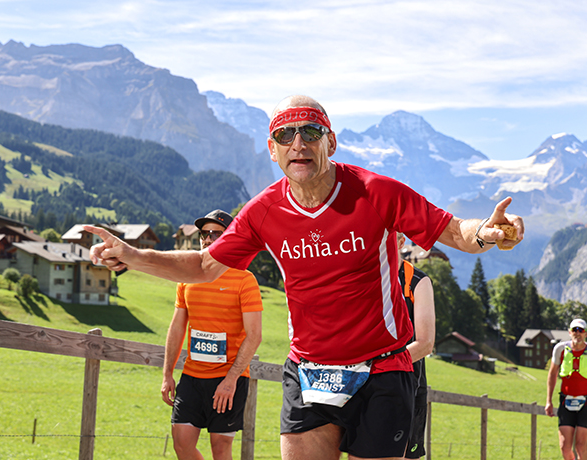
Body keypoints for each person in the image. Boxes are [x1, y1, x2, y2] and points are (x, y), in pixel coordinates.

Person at [85, 95, 524, 460]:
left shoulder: (376, 192)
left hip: (382, 368)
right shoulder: (263, 211)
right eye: (285, 135)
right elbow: (203, 267)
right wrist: (132, 254)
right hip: (310, 370)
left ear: (329, 142)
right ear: (273, 150)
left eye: (310, 132)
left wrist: (485, 233)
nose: (298, 143)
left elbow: (452, 231)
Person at [160, 209, 263, 460]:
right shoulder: (187, 278)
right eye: (204, 234)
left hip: (228, 379)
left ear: (229, 238)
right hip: (192, 377)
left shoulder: (244, 280)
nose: (208, 239)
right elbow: (176, 327)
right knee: (181, 445)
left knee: (220, 450)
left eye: (216, 233)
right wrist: (167, 374)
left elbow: (255, 335)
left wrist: (231, 380)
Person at [397, 233, 436, 460]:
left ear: (402, 243)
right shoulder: (358, 275)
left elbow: (425, 344)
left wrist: (379, 364)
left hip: (408, 383)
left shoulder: (416, 281)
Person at [546, 318, 587, 460]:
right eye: (574, 330)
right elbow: (552, 375)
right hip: (566, 401)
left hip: (586, 403)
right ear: (569, 332)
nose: (578, 333)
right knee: (564, 447)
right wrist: (548, 401)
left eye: (581, 330)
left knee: (581, 447)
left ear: (585, 334)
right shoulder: (560, 349)